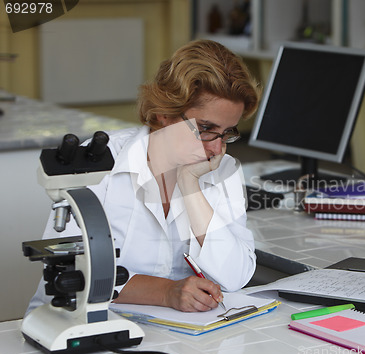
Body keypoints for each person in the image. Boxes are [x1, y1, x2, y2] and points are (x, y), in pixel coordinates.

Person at [26, 39, 261, 314]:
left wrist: (191, 188)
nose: (216, 148)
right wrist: (166, 292)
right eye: (205, 128)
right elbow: (65, 274)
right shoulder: (96, 162)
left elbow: (235, 277)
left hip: (174, 336)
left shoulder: (222, 170)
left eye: (227, 132)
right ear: (164, 112)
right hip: (76, 325)